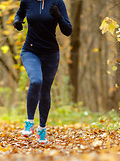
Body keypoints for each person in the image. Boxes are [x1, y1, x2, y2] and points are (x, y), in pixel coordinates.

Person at [13, 0, 72, 144]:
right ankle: (29, 121)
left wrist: (58, 17)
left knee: (45, 90)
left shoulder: (57, 2)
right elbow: (20, 13)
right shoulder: (27, 1)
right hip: (30, 50)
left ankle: (42, 129)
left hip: (51, 54)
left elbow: (68, 30)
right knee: (36, 81)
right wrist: (17, 21)